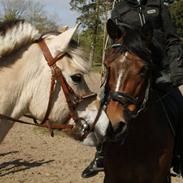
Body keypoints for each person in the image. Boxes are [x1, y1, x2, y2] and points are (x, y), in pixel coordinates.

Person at [81, 0, 183, 178]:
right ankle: (100, 154)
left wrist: (176, 71)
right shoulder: (120, 9)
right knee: (103, 101)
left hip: (159, 69)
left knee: (179, 103)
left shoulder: (159, 6)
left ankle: (179, 156)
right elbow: (116, 42)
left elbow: (172, 40)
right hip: (130, 68)